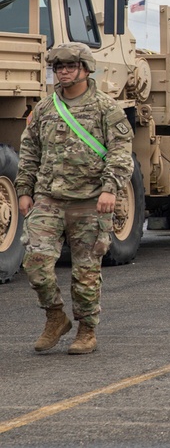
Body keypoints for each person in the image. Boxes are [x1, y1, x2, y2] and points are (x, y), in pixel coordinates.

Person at [16, 42, 134, 354]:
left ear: (85, 68)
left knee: (85, 273)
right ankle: (55, 316)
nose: (64, 72)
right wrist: (24, 190)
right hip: (49, 199)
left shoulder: (107, 109)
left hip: (90, 202)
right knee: (35, 262)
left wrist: (111, 187)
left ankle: (86, 330)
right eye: (58, 67)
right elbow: (29, 152)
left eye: (70, 66)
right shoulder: (43, 109)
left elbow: (122, 154)